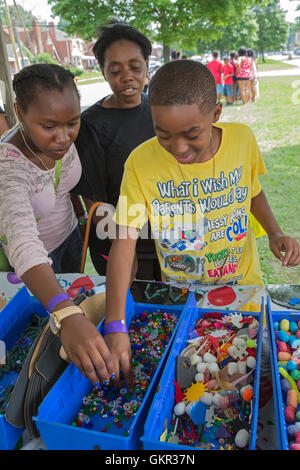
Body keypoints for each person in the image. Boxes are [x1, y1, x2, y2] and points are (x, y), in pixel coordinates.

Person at [103, 59, 300, 386]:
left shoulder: (243, 140)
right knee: (195, 380)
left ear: (216, 113)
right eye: (162, 134)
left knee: (248, 378)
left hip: (244, 289)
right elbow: (123, 245)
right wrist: (115, 324)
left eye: (192, 134)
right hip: (184, 296)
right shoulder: (140, 163)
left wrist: (274, 232)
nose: (178, 148)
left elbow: (252, 192)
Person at [0, 63, 114, 386]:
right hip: (34, 267)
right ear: (20, 112)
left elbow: (67, 185)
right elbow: (22, 244)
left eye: (72, 123)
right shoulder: (8, 169)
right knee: (47, 337)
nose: (63, 138)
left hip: (70, 239)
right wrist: (65, 312)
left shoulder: (60, 139)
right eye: (49, 126)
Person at [73, 22, 161, 281]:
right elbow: (93, 202)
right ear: (102, 72)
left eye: (135, 67)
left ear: (146, 64)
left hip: (168, 242)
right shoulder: (90, 125)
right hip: (120, 243)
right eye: (115, 70)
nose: (127, 77)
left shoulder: (159, 110)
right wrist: (123, 248)